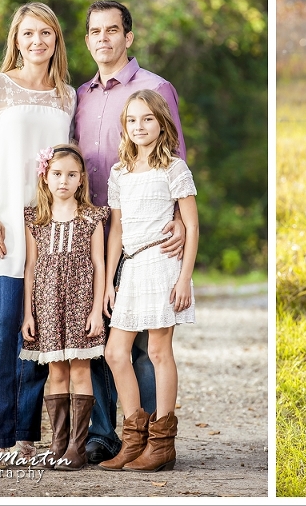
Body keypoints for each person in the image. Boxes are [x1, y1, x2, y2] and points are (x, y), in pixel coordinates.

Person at [0, 2, 75, 468]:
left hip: (49, 234)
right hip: (2, 228)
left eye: (45, 33)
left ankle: (26, 435)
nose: (37, 42)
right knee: (3, 329)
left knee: (39, 336)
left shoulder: (68, 96)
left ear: (56, 40)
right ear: (16, 38)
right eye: (28, 33)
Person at [72, 0, 188, 464]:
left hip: (147, 232)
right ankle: (109, 435)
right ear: (87, 40)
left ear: (128, 37)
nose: (104, 39)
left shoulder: (154, 88)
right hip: (95, 227)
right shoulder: (79, 94)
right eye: (95, 31)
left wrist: (179, 219)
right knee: (99, 334)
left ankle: (157, 442)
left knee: (145, 343)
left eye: (112, 30)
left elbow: (175, 158)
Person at [98, 89, 198, 472]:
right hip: (132, 266)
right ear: (124, 126)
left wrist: (185, 277)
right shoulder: (120, 172)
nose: (139, 127)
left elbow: (191, 225)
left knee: (158, 351)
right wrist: (109, 281)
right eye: (132, 120)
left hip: (162, 263)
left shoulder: (173, 168)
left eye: (147, 119)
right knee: (114, 353)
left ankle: (161, 443)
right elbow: (117, 230)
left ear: (161, 123)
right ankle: (132, 437)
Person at [20, 144, 109, 471]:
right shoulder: (35, 218)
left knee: (80, 369)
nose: (64, 181)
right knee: (56, 371)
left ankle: (77, 446)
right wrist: (28, 313)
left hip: (81, 303)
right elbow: (31, 266)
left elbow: (99, 265)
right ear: (46, 177)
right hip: (47, 304)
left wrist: (97, 310)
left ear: (81, 179)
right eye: (57, 174)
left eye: (71, 175)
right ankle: (58, 443)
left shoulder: (92, 216)